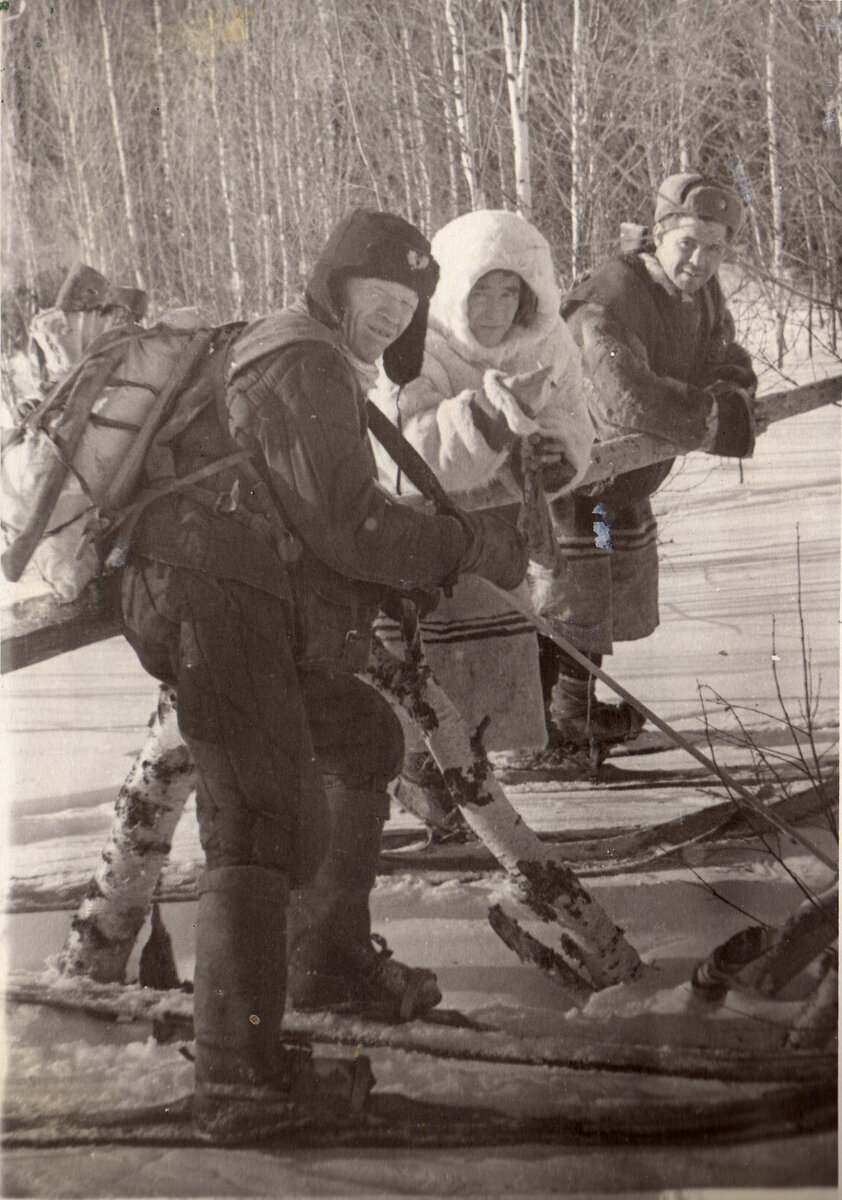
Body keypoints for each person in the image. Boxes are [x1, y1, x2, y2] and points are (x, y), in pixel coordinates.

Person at [119, 209, 528, 1142]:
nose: (392, 318)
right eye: (380, 297)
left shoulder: (317, 363)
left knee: (360, 735)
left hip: (244, 597)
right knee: (261, 814)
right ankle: (236, 1074)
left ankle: (326, 960)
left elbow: (320, 520)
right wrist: (473, 543)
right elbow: (352, 525)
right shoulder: (297, 360)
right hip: (211, 602)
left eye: (407, 305)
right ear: (336, 284)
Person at [369, 209, 593, 820]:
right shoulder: (419, 344)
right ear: (452, 288)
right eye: (480, 291)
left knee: (491, 665)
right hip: (425, 537)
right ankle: (419, 775)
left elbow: (576, 417)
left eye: (509, 291)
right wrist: (487, 422)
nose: (493, 310)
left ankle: (473, 775)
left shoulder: (548, 343)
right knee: (428, 662)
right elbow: (410, 447)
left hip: (498, 539)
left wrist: (558, 457)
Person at [535, 172, 757, 766]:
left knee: (598, 591)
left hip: (616, 492)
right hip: (575, 483)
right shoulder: (612, 293)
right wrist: (709, 419)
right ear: (659, 233)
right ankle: (543, 724)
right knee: (566, 595)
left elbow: (724, 350)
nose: (701, 260)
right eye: (689, 243)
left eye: (716, 248)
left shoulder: (702, 293)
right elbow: (619, 392)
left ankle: (574, 708)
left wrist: (732, 390)